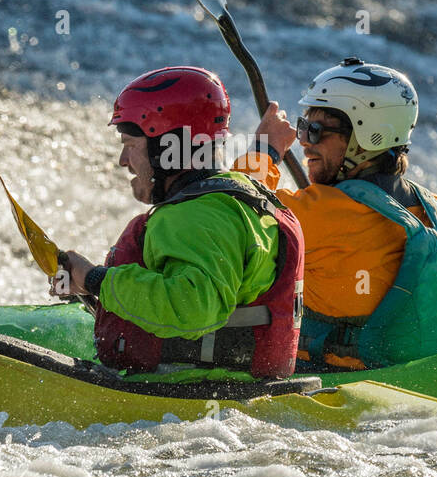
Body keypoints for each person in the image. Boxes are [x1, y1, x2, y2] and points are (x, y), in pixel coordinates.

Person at [235, 57, 437, 370]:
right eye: (303, 127)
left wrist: (266, 151)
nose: (303, 142)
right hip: (413, 378)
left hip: (324, 381)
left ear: (369, 136)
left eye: (316, 131)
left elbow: (235, 214)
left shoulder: (318, 213)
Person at [54, 66, 305, 379]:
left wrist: (94, 278)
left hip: (190, 396)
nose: (122, 160)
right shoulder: (239, 197)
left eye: (131, 145)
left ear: (166, 147)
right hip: (229, 391)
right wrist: (89, 289)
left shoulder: (197, 217)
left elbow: (192, 310)